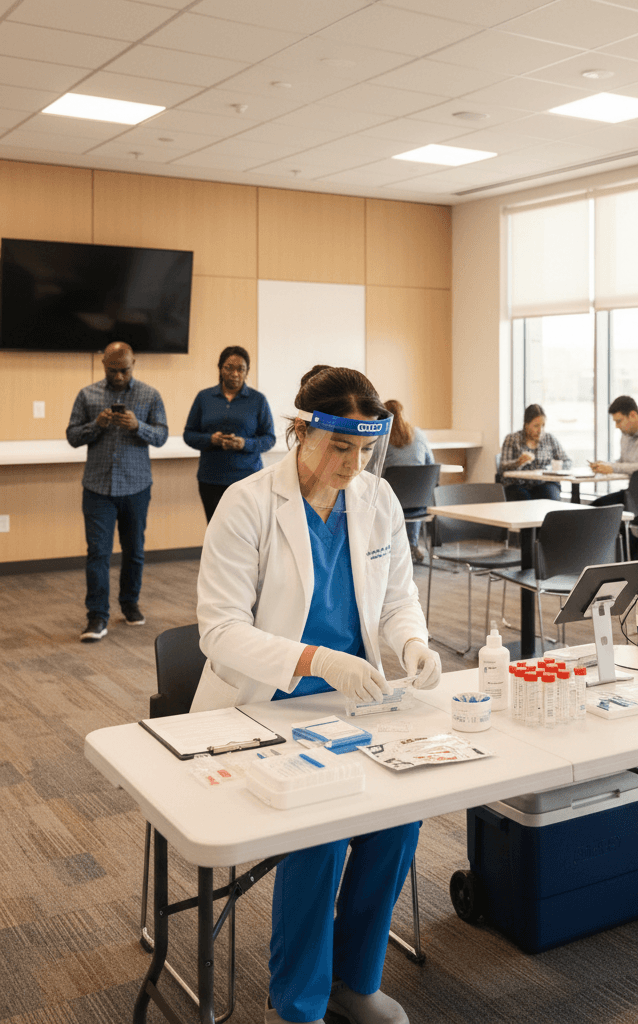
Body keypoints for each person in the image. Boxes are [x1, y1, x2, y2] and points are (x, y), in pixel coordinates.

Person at [192, 364, 442, 1024]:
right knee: (321, 833)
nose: (353, 464)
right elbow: (219, 632)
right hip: (262, 708)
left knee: (401, 815)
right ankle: (297, 1002)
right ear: (300, 431)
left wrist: (412, 642)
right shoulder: (246, 505)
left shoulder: (377, 503)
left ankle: (354, 982)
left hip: (353, 703)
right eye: (339, 447)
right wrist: (315, 659)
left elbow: (396, 599)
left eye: (365, 450)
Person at [66, 341, 168, 642]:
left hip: (136, 487)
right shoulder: (88, 395)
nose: (120, 376)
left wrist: (139, 426)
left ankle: (129, 603)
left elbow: (162, 435)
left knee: (134, 551)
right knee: (98, 552)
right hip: (97, 488)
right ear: (103, 365)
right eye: (114, 371)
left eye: (125, 370)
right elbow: (72, 436)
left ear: (133, 363)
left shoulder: (150, 395)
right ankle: (97, 616)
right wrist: (96, 425)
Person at [183, 346, 276, 522]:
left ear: (247, 371)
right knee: (215, 529)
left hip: (248, 479)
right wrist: (211, 439)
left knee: (247, 532)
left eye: (240, 369)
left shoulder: (258, 400)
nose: (235, 373)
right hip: (211, 479)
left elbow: (269, 439)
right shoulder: (204, 397)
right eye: (229, 367)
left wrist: (244, 444)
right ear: (220, 368)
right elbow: (189, 435)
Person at [381, 399, 434, 560]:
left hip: (391, 503)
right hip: (419, 503)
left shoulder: (382, 437)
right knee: (414, 490)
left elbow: (373, 472)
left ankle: (386, 547)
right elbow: (430, 463)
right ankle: (412, 544)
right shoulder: (419, 434)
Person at [499, 403, 571, 501]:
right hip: (518, 484)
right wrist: (518, 462)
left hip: (544, 483)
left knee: (550, 498)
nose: (540, 430)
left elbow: (567, 461)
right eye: (536, 426)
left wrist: (554, 467)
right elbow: (503, 467)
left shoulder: (549, 439)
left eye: (543, 425)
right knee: (523, 500)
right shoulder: (512, 439)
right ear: (526, 425)